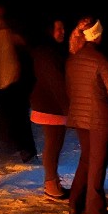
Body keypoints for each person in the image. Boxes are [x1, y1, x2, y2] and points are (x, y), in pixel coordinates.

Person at [65, 16, 108, 214]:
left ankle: (75, 203)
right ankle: (95, 212)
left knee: (86, 159)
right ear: (97, 35)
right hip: (100, 120)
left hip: (79, 118)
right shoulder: (101, 60)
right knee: (97, 164)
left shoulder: (73, 58)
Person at [0, 3, 37, 163]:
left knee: (18, 115)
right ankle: (19, 146)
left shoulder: (8, 30)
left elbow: (21, 51)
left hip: (13, 82)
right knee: (13, 115)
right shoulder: (0, 30)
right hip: (6, 81)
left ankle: (26, 149)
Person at [28, 16, 70, 200]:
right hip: (50, 106)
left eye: (63, 28)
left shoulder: (49, 50)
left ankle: (53, 183)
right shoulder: (47, 52)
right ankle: (51, 185)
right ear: (49, 31)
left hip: (50, 105)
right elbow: (57, 82)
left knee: (54, 144)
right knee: (53, 145)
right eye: (58, 28)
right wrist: (69, 109)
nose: (62, 32)